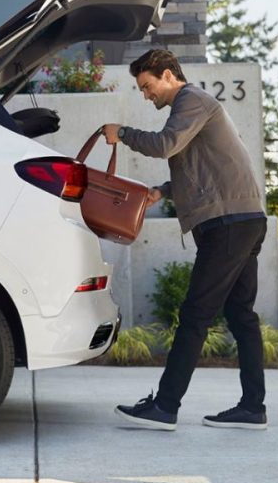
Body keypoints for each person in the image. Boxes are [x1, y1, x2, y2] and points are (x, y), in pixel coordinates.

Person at [104, 49, 268, 431]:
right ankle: (252, 407)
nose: (146, 95)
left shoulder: (191, 100)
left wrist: (123, 133)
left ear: (167, 75)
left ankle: (164, 406)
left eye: (147, 87)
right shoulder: (196, 106)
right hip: (242, 220)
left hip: (228, 224)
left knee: (196, 315)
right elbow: (205, 166)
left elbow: (165, 145)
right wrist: (164, 189)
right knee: (241, 315)